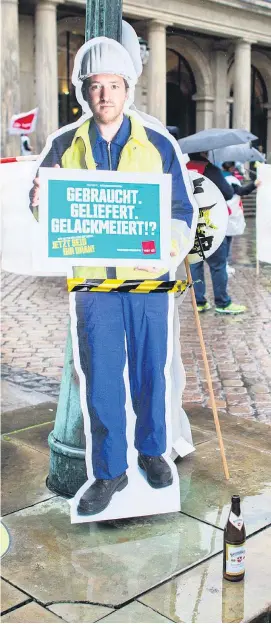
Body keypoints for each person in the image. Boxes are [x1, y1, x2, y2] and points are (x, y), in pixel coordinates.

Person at [30, 36, 196, 515]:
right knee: (102, 379)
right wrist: (40, 200)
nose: (105, 95)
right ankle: (109, 472)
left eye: (114, 85)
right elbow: (46, 212)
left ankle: (151, 452)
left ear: (128, 90)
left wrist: (169, 245)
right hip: (93, 288)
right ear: (86, 92)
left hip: (146, 284)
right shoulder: (63, 145)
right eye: (96, 86)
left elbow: (182, 210)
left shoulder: (159, 143)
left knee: (151, 374)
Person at [187, 151, 246, 314]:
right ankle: (222, 302)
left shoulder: (183, 169)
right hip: (211, 223)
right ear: (204, 152)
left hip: (192, 224)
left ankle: (199, 301)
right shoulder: (210, 169)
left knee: (195, 264)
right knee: (218, 265)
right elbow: (227, 193)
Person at [221, 161, 260, 275]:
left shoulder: (217, 176)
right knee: (226, 241)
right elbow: (242, 191)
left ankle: (223, 265)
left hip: (219, 213)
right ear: (232, 167)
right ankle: (224, 265)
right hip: (229, 214)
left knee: (223, 241)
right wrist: (254, 184)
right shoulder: (231, 180)